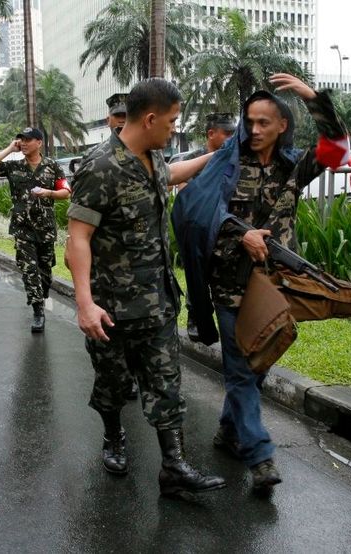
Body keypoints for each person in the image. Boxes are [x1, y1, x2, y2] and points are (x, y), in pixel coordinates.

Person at [173, 73, 349, 495]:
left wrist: (311, 96)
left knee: (259, 366)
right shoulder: (227, 163)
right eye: (249, 121)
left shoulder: (293, 166)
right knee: (240, 368)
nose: (253, 130)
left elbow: (337, 148)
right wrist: (239, 231)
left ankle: (228, 432)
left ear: (282, 125)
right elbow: (196, 210)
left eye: (263, 123)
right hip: (231, 283)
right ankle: (260, 455)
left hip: (274, 285)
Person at [65, 78, 225, 497]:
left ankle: (173, 466)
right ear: (150, 118)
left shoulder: (153, 159)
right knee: (114, 384)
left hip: (157, 301)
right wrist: (84, 304)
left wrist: (216, 155)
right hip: (112, 308)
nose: (175, 127)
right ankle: (114, 436)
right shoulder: (100, 167)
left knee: (166, 383)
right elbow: (77, 238)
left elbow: (173, 175)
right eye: (172, 120)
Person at [0, 127, 70, 332]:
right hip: (22, 228)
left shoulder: (52, 166)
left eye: (28, 140)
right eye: (21, 139)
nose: (23, 143)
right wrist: (9, 149)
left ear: (39, 143)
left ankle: (43, 293)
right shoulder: (14, 166)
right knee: (29, 269)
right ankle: (38, 311)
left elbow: (66, 192)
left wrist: (49, 192)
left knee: (45, 269)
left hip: (46, 227)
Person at [170, 113, 236, 341]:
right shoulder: (195, 160)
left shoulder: (232, 159)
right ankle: (195, 319)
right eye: (227, 133)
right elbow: (185, 192)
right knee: (195, 278)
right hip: (197, 228)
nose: (231, 137)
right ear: (211, 133)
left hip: (222, 230)